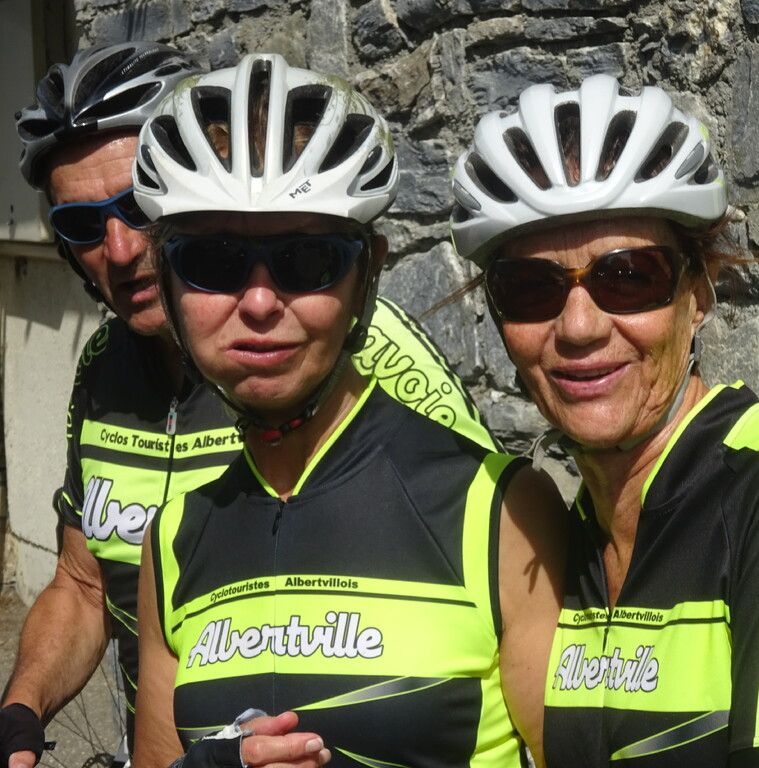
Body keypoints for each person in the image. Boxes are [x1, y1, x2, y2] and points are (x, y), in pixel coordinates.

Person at [1, 42, 495, 768]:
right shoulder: (104, 367)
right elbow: (82, 583)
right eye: (81, 224)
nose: (120, 248)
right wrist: (19, 710)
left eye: (134, 208)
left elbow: (475, 556)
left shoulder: (356, 346)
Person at [449, 74, 759, 767]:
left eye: (628, 277)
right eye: (530, 288)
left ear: (699, 294)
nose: (580, 327)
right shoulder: (568, 536)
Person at [129, 54, 565, 768]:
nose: (260, 302)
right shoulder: (172, 541)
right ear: (166, 279)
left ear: (367, 275)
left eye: (307, 261)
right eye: (211, 262)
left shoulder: (500, 509)